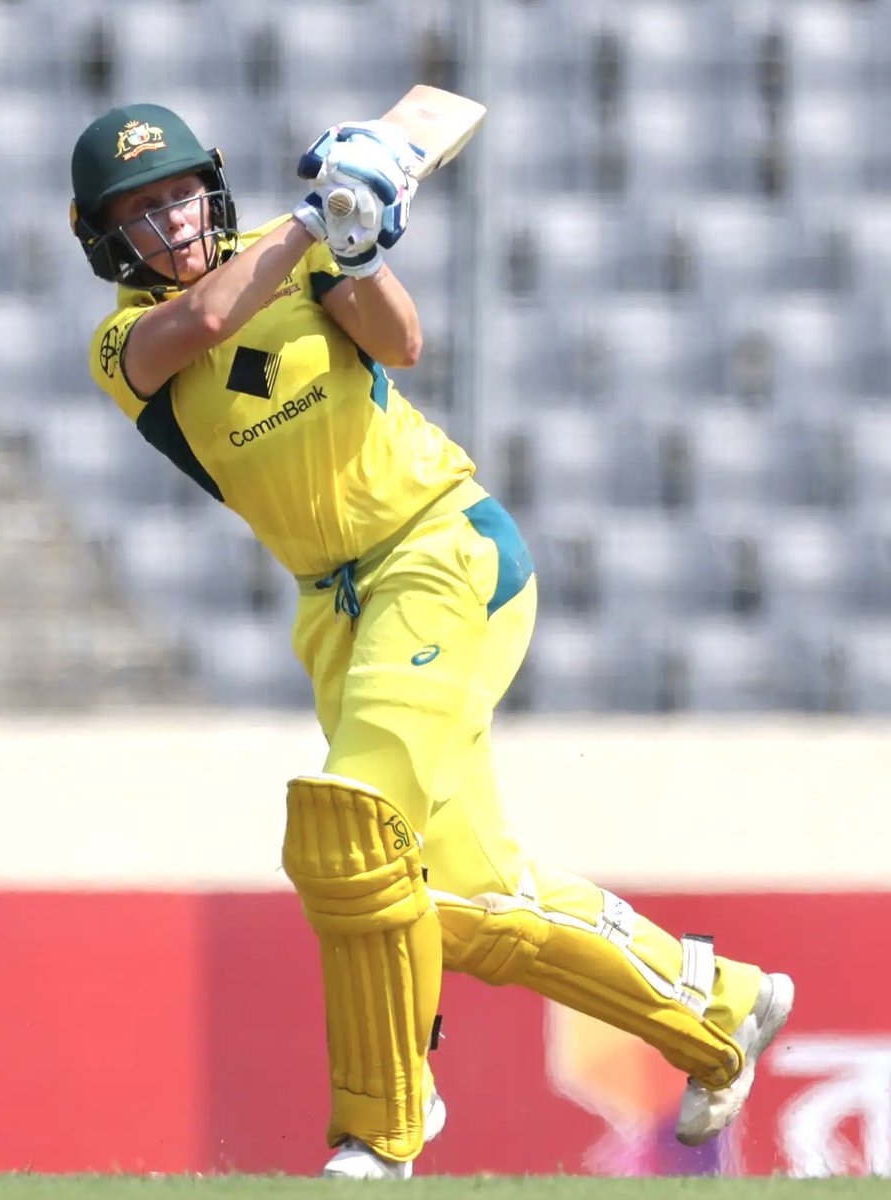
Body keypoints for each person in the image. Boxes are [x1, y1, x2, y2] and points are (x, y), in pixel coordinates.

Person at [70, 102, 794, 1180]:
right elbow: (210, 324)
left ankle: (382, 1128)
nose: (169, 221)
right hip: (338, 611)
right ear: (105, 242)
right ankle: (720, 1006)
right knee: (454, 899)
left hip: (439, 551)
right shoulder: (124, 342)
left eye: (178, 194)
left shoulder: (306, 252)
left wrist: (357, 247)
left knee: (351, 827)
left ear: (210, 192)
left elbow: (401, 341)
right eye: (140, 212)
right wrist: (317, 224)